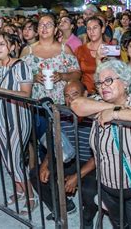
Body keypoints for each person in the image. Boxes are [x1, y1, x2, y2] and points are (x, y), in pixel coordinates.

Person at [71, 59, 131, 229]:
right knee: (120, 225)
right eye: (99, 82)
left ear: (125, 82)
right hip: (107, 188)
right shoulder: (97, 102)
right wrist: (110, 107)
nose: (103, 86)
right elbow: (76, 104)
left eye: (109, 80)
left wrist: (115, 113)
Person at [30, 81, 97, 227]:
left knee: (89, 190)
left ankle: (87, 218)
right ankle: (62, 207)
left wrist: (76, 177)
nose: (70, 100)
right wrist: (45, 164)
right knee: (37, 174)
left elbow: (98, 157)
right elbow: (55, 142)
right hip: (68, 158)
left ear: (85, 95)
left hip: (90, 164)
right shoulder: (62, 114)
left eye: (75, 94)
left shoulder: (96, 117)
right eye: (67, 96)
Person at [0, 32, 36, 209]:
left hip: (18, 117)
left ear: (12, 47)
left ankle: (31, 197)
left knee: (14, 159)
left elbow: (26, 95)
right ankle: (20, 191)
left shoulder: (22, 66)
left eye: (2, 44)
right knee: (6, 159)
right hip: (1, 117)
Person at [21, 14, 81, 105]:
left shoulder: (65, 50)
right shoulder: (27, 51)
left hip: (61, 104)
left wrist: (62, 76)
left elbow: (77, 74)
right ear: (37, 29)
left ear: (55, 30)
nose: (44, 28)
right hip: (35, 104)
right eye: (41, 24)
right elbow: (18, 77)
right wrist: (33, 78)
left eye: (49, 25)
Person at [75, 16, 107, 94]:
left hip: (106, 92)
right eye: (88, 29)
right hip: (86, 93)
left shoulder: (110, 50)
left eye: (95, 28)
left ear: (102, 29)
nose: (91, 31)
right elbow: (75, 73)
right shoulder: (80, 50)